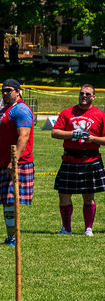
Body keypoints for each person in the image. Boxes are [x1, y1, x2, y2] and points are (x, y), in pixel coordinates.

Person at [50, 84, 105, 236]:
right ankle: (66, 228)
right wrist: (73, 134)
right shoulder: (67, 113)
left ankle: (88, 228)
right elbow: (54, 133)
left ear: (93, 97)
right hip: (69, 158)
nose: (84, 96)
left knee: (89, 196)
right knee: (64, 194)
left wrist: (93, 138)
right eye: (82, 93)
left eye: (88, 94)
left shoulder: (100, 115)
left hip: (91, 159)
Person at [0, 79, 34, 246]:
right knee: (7, 201)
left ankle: (13, 238)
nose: (5, 93)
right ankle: (10, 236)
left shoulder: (21, 109)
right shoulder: (4, 110)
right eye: (3, 90)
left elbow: (24, 136)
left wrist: (14, 161)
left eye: (9, 90)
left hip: (16, 162)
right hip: (2, 162)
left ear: (18, 91)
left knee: (12, 200)